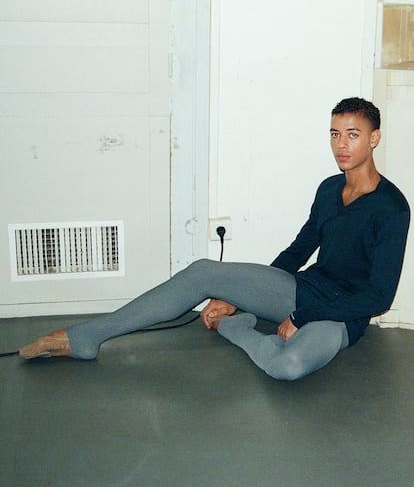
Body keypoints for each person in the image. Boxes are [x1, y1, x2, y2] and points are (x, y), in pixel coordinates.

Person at [20, 97, 410, 381]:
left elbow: (378, 298)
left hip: (340, 316)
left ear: (374, 138)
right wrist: (239, 294)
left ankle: (235, 328)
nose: (341, 145)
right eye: (335, 134)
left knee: (287, 366)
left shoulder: (392, 209)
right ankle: (86, 337)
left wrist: (301, 317)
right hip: (304, 290)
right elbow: (298, 251)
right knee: (204, 271)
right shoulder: (328, 189)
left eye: (353, 135)